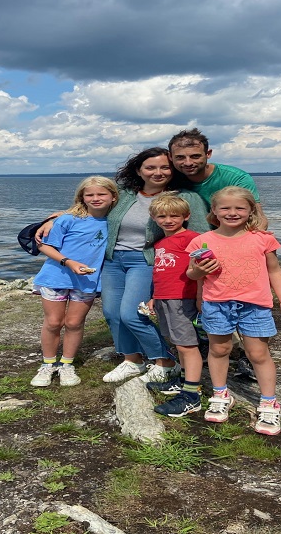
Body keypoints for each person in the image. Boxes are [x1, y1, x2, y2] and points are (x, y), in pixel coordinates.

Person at [186, 186, 281, 435]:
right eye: (225, 207)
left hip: (255, 305)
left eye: (239, 208)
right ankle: (220, 394)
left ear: (250, 210)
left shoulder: (263, 239)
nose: (232, 212)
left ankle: (269, 402)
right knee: (219, 349)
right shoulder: (201, 241)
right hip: (217, 304)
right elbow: (192, 274)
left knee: (258, 353)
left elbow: (274, 270)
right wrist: (199, 274)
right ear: (214, 210)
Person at [100, 148, 210, 384]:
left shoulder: (184, 197)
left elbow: (200, 238)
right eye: (150, 167)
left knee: (131, 314)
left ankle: (165, 361)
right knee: (112, 313)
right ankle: (132, 360)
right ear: (139, 170)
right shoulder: (124, 194)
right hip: (113, 260)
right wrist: (54, 219)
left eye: (164, 167)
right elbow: (90, 205)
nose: (158, 172)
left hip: (145, 260)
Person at [169, 127, 267, 379]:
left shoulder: (235, 177)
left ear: (208, 154)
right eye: (180, 157)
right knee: (205, 301)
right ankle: (207, 344)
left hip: (232, 245)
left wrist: (245, 247)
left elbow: (258, 218)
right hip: (195, 246)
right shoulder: (172, 178)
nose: (188, 162)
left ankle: (246, 354)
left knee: (242, 300)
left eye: (195, 156)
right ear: (171, 158)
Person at [30, 176, 119, 388]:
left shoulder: (115, 222)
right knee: (53, 322)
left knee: (74, 323)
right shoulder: (68, 219)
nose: (96, 198)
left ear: (114, 197)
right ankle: (48, 364)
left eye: (101, 194)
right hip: (56, 277)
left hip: (87, 280)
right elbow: (44, 245)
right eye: (90, 194)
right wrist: (68, 262)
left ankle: (67, 364)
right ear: (82, 197)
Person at [143, 193, 204, 418]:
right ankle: (183, 381)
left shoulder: (192, 239)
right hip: (164, 298)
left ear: (186, 216)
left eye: (174, 216)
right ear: (154, 218)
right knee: (178, 343)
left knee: (188, 345)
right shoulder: (160, 243)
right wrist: (154, 297)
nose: (168, 220)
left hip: (183, 298)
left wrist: (200, 297)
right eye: (162, 216)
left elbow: (201, 270)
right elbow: (161, 274)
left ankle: (192, 395)